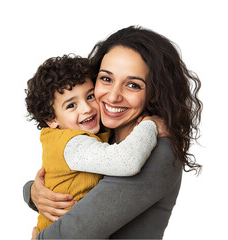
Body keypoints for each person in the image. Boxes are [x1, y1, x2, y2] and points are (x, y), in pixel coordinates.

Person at [24, 26, 202, 239]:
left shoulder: (157, 153)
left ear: (155, 93)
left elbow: (74, 231)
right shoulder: (103, 134)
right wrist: (32, 192)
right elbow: (68, 180)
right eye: (106, 79)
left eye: (133, 85)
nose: (113, 96)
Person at [25, 54, 163, 233]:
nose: (87, 108)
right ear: (51, 119)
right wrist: (150, 124)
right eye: (71, 106)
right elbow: (126, 161)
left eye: (90, 96)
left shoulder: (85, 132)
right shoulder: (73, 144)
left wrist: (29, 191)